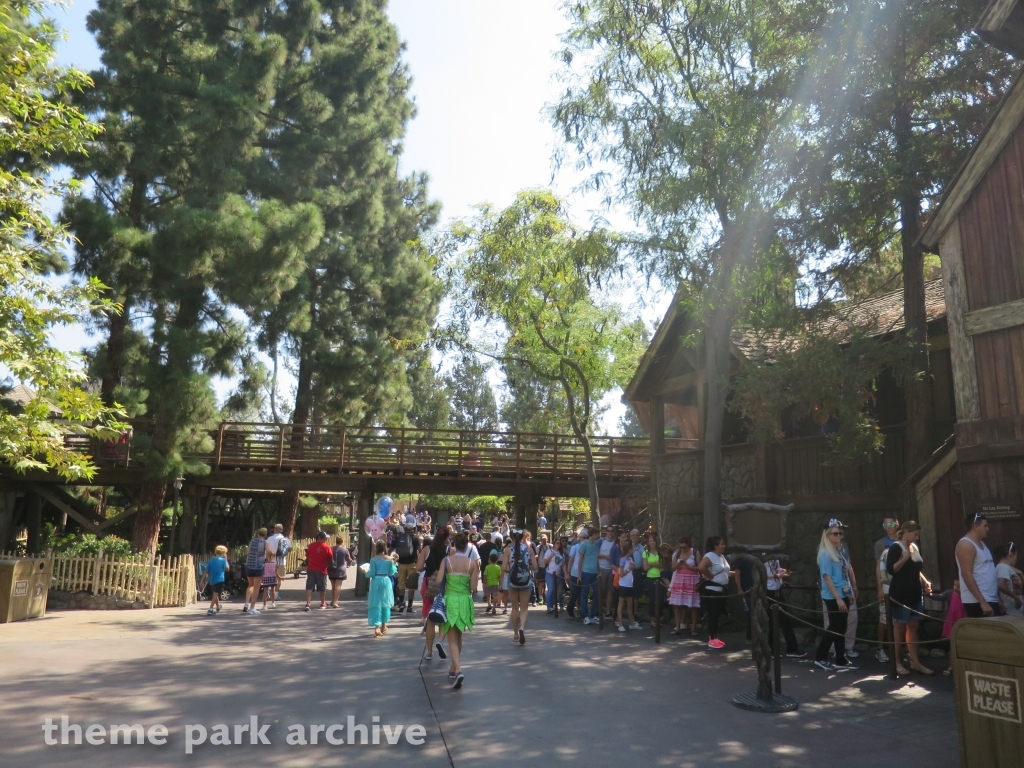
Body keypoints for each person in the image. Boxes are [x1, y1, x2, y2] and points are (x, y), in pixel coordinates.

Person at [886, 521, 933, 676]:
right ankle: (897, 662)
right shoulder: (895, 547)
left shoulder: (915, 547)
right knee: (899, 628)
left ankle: (915, 662)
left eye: (918, 535)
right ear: (906, 531)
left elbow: (915, 569)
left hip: (915, 593)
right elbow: (892, 569)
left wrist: (925, 581)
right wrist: (905, 556)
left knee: (913, 626)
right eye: (915, 534)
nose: (916, 537)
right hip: (901, 594)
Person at [437, 532, 478, 689]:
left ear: (454, 545)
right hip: (465, 600)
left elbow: (439, 580)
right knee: (459, 636)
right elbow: (474, 587)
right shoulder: (472, 564)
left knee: (452, 638)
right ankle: (454, 668)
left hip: (450, 600)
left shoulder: (447, 560)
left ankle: (458, 670)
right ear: (467, 546)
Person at [815, 521, 858, 671]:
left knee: (842, 626)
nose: (838, 536)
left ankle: (841, 658)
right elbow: (827, 577)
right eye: (835, 533)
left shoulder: (838, 551)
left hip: (843, 592)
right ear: (827, 535)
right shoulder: (825, 553)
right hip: (832, 596)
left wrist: (850, 592)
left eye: (840, 533)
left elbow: (844, 573)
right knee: (834, 626)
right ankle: (820, 656)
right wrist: (838, 598)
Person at [956, 512, 1001, 617]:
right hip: (977, 601)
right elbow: (966, 574)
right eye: (985, 526)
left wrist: (998, 599)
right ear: (975, 527)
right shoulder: (966, 544)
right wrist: (982, 602)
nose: (988, 529)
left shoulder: (983, 545)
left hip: (991, 598)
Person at [698, 537, 738, 649]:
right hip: (712, 589)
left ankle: (715, 637)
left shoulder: (722, 557)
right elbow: (701, 567)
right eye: (722, 544)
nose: (724, 546)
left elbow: (725, 572)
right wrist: (710, 576)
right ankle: (712, 638)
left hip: (721, 590)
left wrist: (737, 573)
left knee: (717, 614)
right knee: (713, 614)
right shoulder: (710, 556)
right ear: (715, 546)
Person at [763, 554, 803, 657]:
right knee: (771, 621)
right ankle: (771, 649)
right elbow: (761, 574)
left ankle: (792, 649)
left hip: (777, 589)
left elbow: (775, 568)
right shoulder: (762, 555)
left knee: (785, 619)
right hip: (768, 591)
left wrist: (782, 571)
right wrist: (777, 576)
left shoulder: (775, 554)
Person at [421, 529, 450, 661]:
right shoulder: (449, 550)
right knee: (443, 614)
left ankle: (429, 651)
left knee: (430, 618)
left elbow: (418, 567)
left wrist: (427, 567)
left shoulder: (427, 549)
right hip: (444, 584)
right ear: (446, 538)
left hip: (429, 584)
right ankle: (441, 641)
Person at [503, 529, 535, 644]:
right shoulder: (529, 550)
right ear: (523, 537)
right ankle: (522, 627)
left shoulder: (508, 550)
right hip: (525, 581)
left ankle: (516, 634)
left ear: (511, 537)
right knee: (524, 608)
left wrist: (511, 570)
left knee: (514, 608)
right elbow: (535, 567)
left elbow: (503, 568)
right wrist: (527, 568)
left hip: (512, 581)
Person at [874, 516, 899, 663]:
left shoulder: (903, 540)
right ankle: (880, 648)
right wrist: (879, 588)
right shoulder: (880, 544)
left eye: (891, 524)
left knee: (902, 618)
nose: (889, 527)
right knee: (884, 618)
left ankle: (903, 649)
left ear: (897, 524)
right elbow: (877, 566)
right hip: (886, 583)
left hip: (901, 582)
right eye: (886, 524)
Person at [669, 537, 700, 636]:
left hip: (692, 580)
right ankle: (678, 627)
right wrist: (678, 564)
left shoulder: (695, 553)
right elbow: (673, 569)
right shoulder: (677, 554)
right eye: (681, 547)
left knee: (693, 606)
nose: (682, 549)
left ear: (689, 545)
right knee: (677, 605)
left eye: (685, 547)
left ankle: (693, 628)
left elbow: (700, 567)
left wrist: (689, 566)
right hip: (679, 581)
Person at [367, 539, 398, 637]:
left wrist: (366, 573)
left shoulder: (373, 559)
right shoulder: (389, 559)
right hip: (385, 579)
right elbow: (391, 572)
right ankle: (384, 625)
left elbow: (371, 573)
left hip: (376, 580)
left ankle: (377, 627)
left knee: (376, 603)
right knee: (385, 603)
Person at [394, 518, 421, 613]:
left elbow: (391, 549)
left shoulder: (399, 537)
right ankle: (410, 606)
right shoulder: (415, 538)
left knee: (401, 584)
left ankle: (401, 603)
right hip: (412, 564)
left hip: (401, 564)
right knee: (411, 585)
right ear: (412, 529)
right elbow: (420, 550)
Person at [576, 526, 601, 625]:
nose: (598, 536)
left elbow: (596, 558)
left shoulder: (595, 544)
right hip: (586, 572)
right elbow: (580, 559)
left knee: (597, 593)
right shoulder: (584, 544)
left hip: (594, 572)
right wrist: (579, 574)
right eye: (597, 534)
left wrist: (599, 571)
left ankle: (594, 614)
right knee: (584, 594)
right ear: (594, 534)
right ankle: (585, 615)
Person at [304, 531, 333, 611]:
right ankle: (323, 603)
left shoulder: (311, 546)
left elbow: (308, 555)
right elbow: (330, 557)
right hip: (322, 569)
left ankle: (308, 603)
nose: (326, 539)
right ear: (320, 538)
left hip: (311, 568)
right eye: (325, 538)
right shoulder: (327, 547)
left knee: (309, 586)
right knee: (322, 587)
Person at [642, 531, 664, 628]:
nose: (652, 543)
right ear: (648, 542)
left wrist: (651, 564)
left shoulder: (660, 553)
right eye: (650, 541)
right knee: (652, 599)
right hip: (650, 578)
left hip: (659, 577)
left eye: (654, 541)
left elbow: (662, 565)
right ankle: (652, 619)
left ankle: (658, 618)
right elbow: (645, 568)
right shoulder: (645, 553)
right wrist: (655, 564)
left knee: (660, 599)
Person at [243, 528, 267, 615]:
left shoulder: (252, 541)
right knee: (257, 587)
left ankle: (246, 603)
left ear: (258, 534)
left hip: (249, 565)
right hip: (259, 566)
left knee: (250, 585)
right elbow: (268, 553)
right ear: (265, 534)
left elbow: (247, 552)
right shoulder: (265, 542)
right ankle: (252, 608)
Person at [995, 542, 1022, 616]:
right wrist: (1016, 597)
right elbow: (1001, 585)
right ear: (1011, 554)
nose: (1016, 559)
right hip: (1011, 610)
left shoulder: (1002, 567)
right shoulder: (1003, 567)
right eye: (1016, 556)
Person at [597, 526, 618, 618]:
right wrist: (605, 556)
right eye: (608, 531)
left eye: (612, 531)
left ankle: (608, 611)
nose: (610, 532)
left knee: (610, 591)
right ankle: (599, 609)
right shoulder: (600, 541)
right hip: (602, 568)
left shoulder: (615, 543)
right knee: (601, 590)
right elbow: (595, 553)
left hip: (612, 570)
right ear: (606, 532)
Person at [616, 539, 636, 631]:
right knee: (621, 604)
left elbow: (632, 568)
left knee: (630, 604)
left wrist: (633, 567)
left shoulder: (630, 559)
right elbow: (621, 574)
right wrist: (629, 569)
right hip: (623, 584)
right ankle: (620, 624)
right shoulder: (623, 560)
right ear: (629, 549)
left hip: (630, 584)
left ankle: (631, 623)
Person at [327, 535, 351, 608]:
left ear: (336, 541)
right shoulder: (345, 550)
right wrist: (350, 562)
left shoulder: (331, 549)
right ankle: (335, 602)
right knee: (338, 585)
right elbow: (348, 559)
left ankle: (333, 600)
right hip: (341, 570)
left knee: (333, 586)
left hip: (331, 569)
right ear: (342, 541)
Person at [543, 539, 566, 613]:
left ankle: (555, 605)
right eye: (557, 543)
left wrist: (566, 573)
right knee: (551, 589)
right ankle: (549, 607)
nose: (558, 544)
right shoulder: (549, 551)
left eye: (560, 543)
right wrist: (551, 556)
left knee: (558, 591)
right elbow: (545, 561)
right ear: (554, 544)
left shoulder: (561, 553)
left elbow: (563, 564)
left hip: (558, 574)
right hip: (550, 573)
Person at [205, 545, 229, 615]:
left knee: (215, 593)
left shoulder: (211, 560)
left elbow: (206, 570)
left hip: (212, 579)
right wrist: (226, 559)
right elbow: (227, 569)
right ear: (223, 553)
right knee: (215, 594)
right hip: (220, 579)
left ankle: (218, 606)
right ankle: (210, 609)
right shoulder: (223, 560)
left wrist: (202, 580)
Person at [567, 529, 584, 618]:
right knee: (574, 593)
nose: (585, 539)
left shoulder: (589, 546)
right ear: (580, 538)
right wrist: (568, 572)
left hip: (584, 572)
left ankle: (581, 610)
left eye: (587, 537)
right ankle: (570, 607)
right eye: (583, 537)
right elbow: (570, 560)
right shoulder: (575, 547)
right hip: (574, 572)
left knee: (582, 593)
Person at [535, 534, 551, 606]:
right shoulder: (538, 547)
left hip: (548, 567)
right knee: (540, 583)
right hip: (541, 567)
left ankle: (545, 596)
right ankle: (541, 598)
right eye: (542, 539)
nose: (543, 540)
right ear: (540, 540)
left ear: (547, 539)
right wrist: (537, 565)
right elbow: (536, 557)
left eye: (545, 539)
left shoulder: (550, 546)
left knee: (546, 583)